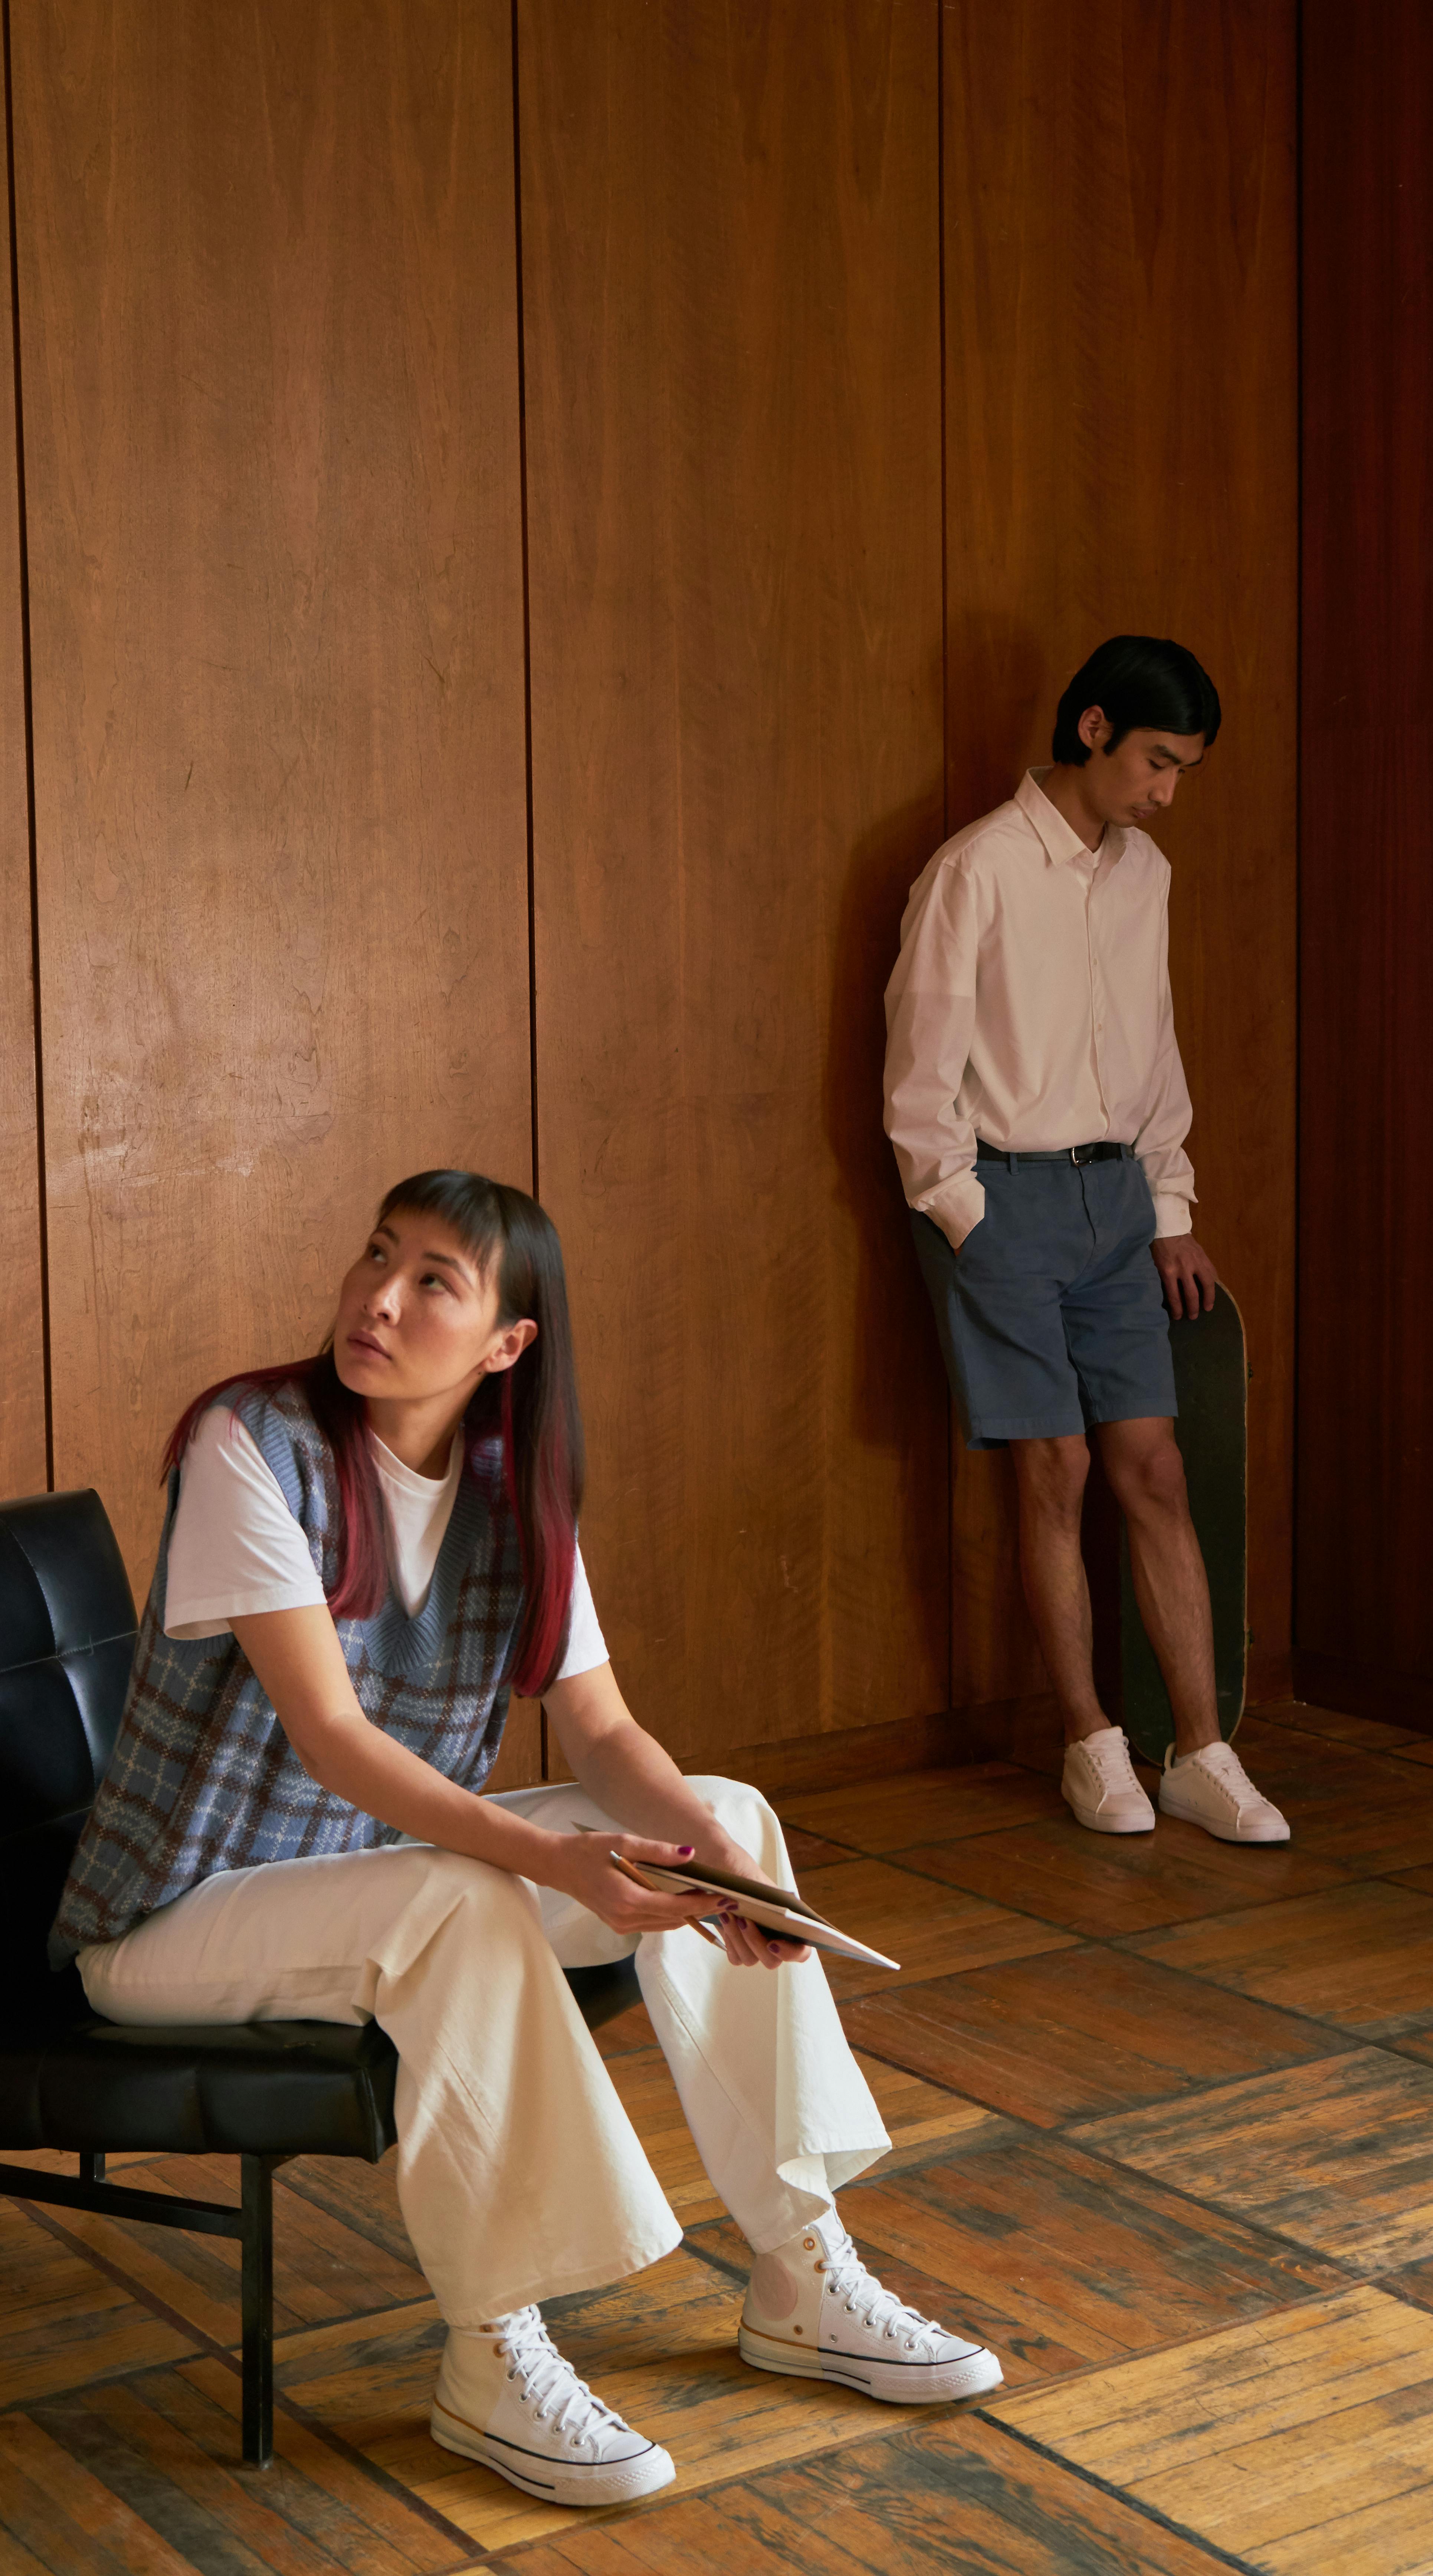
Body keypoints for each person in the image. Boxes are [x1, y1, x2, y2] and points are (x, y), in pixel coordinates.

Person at [50, 1170, 1001, 2511]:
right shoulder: (249, 1443)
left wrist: (716, 1865)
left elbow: (601, 1730)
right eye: (378, 1255)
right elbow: (332, 1737)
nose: (379, 1297)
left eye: (433, 1280)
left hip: (373, 1879)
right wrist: (555, 1861)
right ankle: (492, 2349)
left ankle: (803, 2274)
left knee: (725, 1815)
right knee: (466, 1900)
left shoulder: (513, 1488)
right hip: (178, 1918)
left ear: (508, 1345)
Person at [884, 635, 1288, 1847]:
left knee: (1154, 1469)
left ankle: (1201, 1753)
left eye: (1184, 772)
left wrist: (1171, 1210)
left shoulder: (1145, 873)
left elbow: (1152, 1049)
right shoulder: (976, 870)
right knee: (1052, 1471)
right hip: (1005, 1202)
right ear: (1096, 728)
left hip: (1121, 1206)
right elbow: (920, 1074)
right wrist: (969, 1215)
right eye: (1158, 762)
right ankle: (1089, 1744)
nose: (1167, 792)